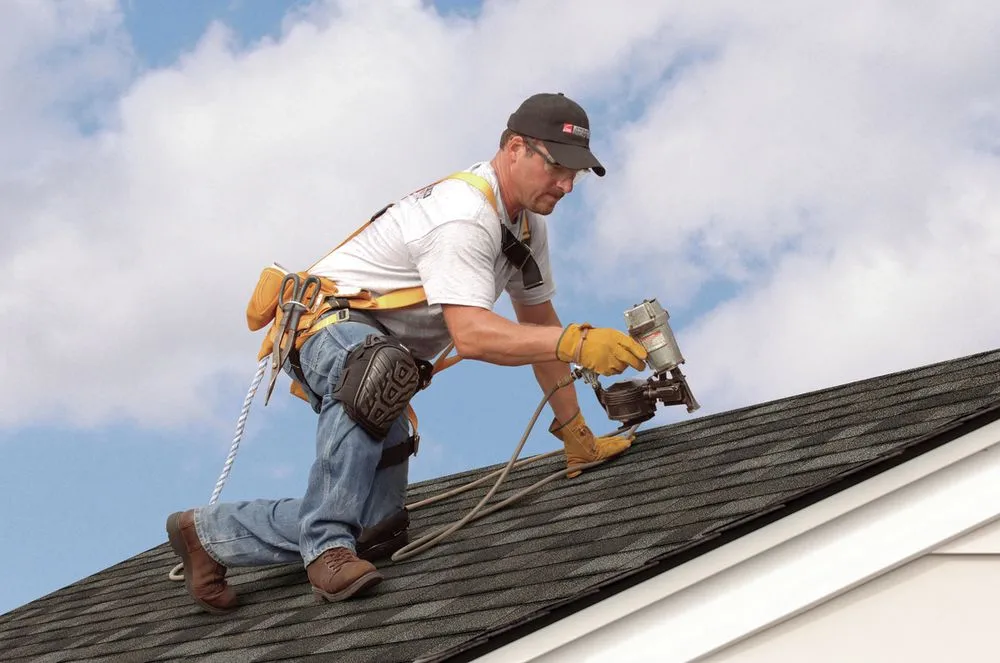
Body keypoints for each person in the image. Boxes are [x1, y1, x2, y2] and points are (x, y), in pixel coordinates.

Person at [166, 92, 649, 614]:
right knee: (379, 374)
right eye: (557, 167)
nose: (567, 185)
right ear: (515, 149)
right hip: (326, 328)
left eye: (575, 174)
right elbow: (473, 334)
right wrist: (577, 341)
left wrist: (576, 433)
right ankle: (325, 547)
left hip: (379, 355)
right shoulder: (464, 216)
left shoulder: (527, 230)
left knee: (378, 528)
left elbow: (538, 326)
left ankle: (209, 534)